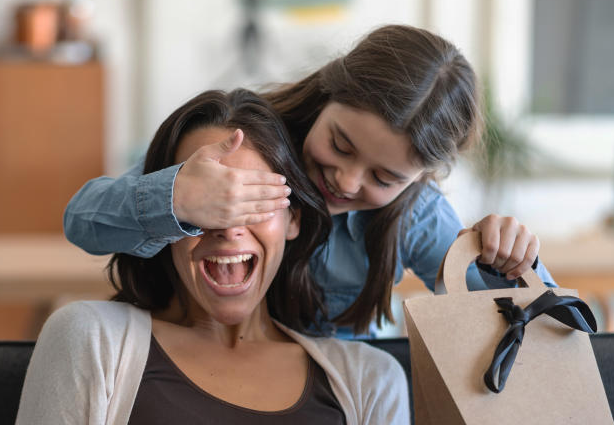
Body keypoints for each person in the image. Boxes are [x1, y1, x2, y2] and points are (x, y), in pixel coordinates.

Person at [9, 89, 415, 425]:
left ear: (293, 220)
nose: (228, 226)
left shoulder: (372, 381)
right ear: (169, 221)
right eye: (207, 201)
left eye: (254, 200)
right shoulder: (87, 339)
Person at [64, 24, 556, 338]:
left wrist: (509, 263)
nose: (345, 180)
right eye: (341, 145)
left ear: (420, 179)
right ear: (326, 94)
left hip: (331, 402)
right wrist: (175, 197)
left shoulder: (416, 217)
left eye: (384, 176)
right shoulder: (247, 142)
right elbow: (83, 222)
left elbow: (543, 328)